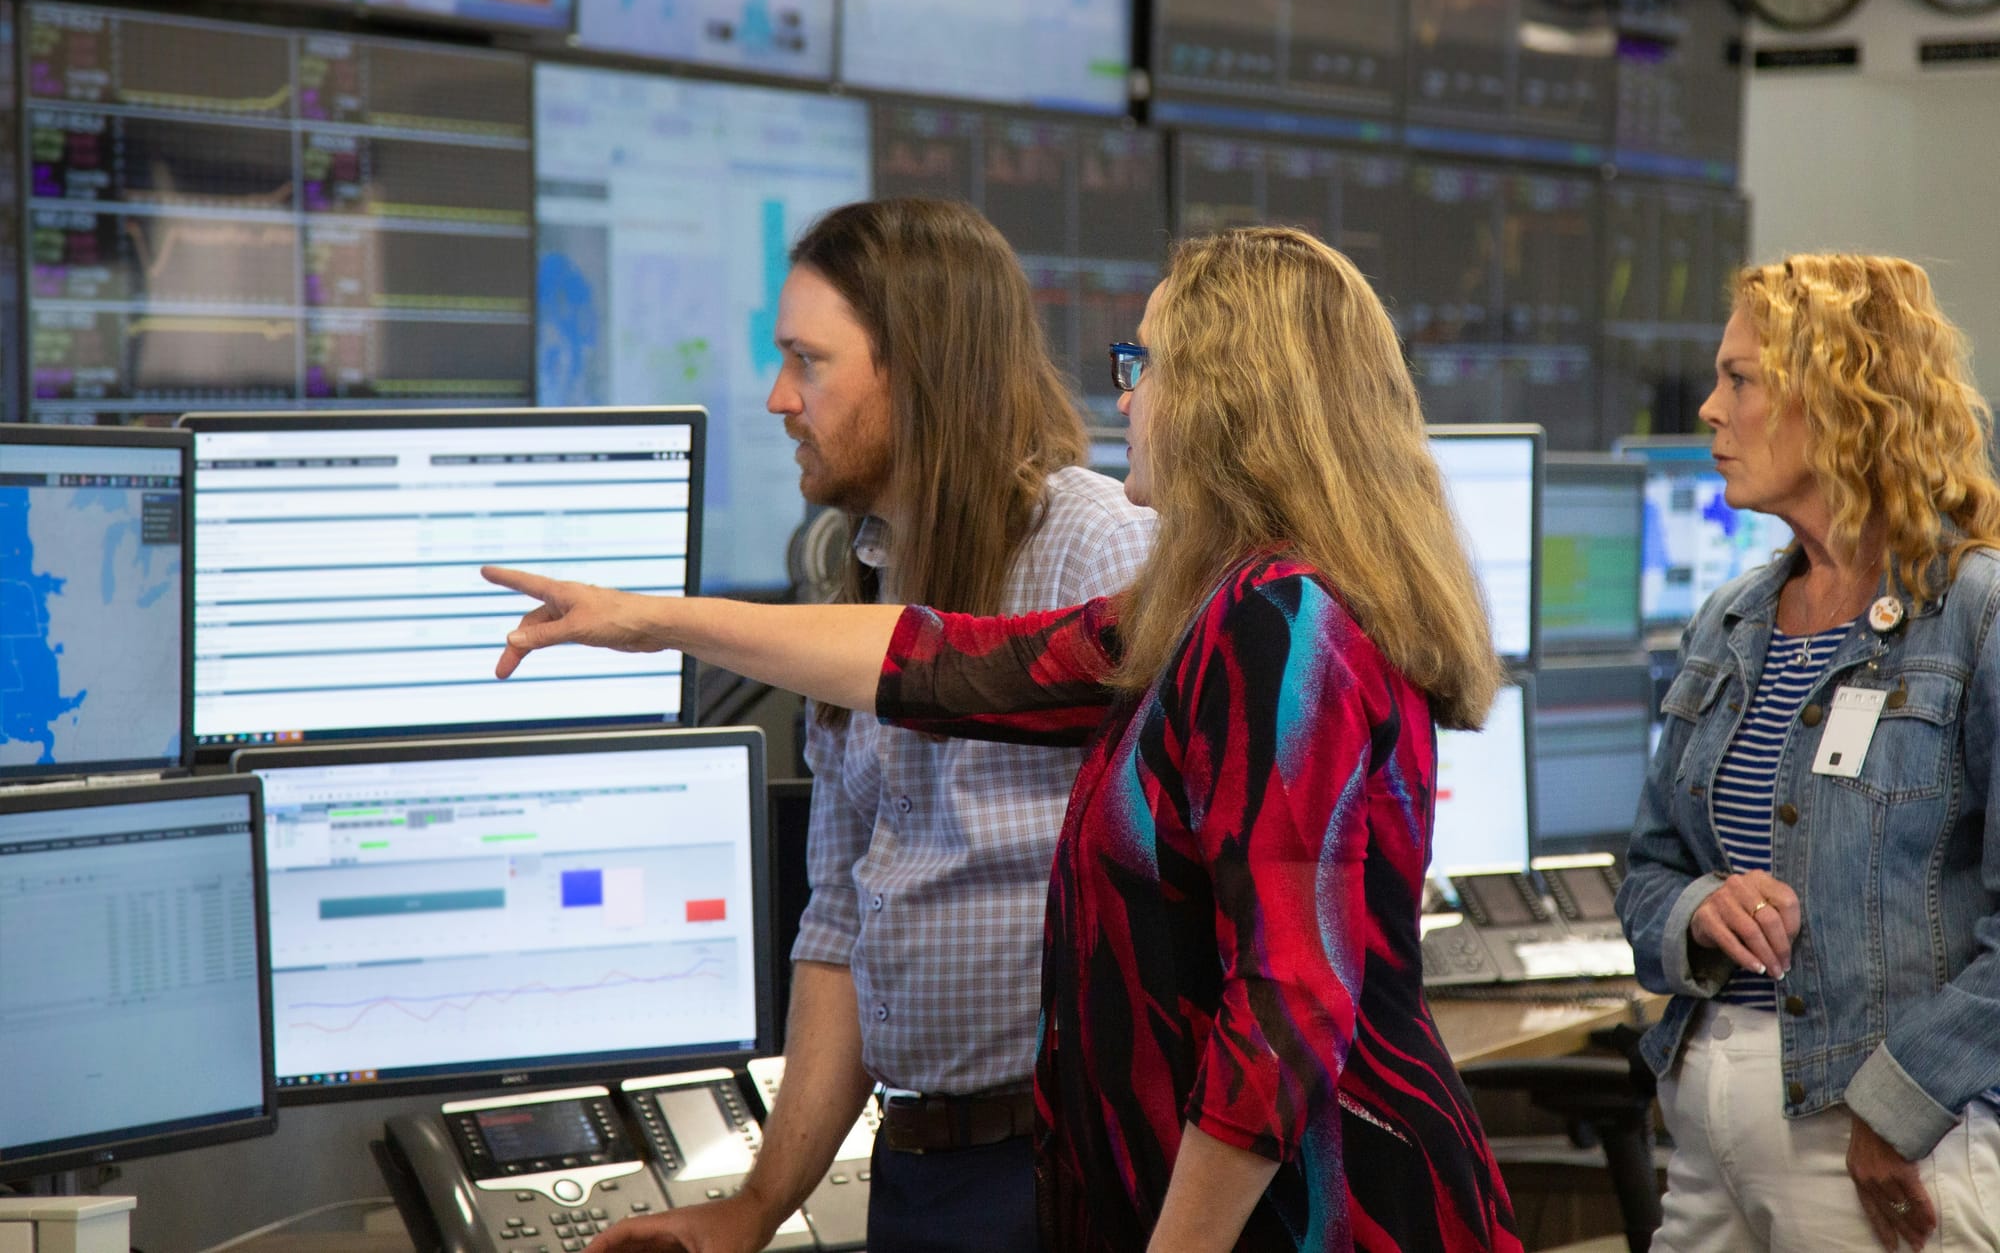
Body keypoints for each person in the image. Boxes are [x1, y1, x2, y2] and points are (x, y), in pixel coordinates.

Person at [486, 226, 1523, 1252]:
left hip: (1329, 1209)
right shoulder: (1205, 610)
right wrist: (649, 618)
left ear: (1224, 392)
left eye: (1144, 363)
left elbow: (1287, 1003)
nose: (1123, 396)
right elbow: (947, 664)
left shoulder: (1285, 622)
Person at [595, 198, 1153, 1253]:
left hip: (1063, 1167)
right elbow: (842, 924)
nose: (777, 398)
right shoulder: (853, 574)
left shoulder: (1095, 552)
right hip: (916, 1175)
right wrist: (756, 1204)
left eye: (809, 362)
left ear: (919, 369)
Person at [1618, 254, 2000, 1252]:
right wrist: (1697, 909)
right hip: (1706, 1131)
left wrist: (1899, 1100)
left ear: (1836, 401)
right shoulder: (1729, 620)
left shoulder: (1974, 616)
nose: (1708, 407)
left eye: (1738, 379)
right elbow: (1650, 869)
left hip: (1885, 1146)